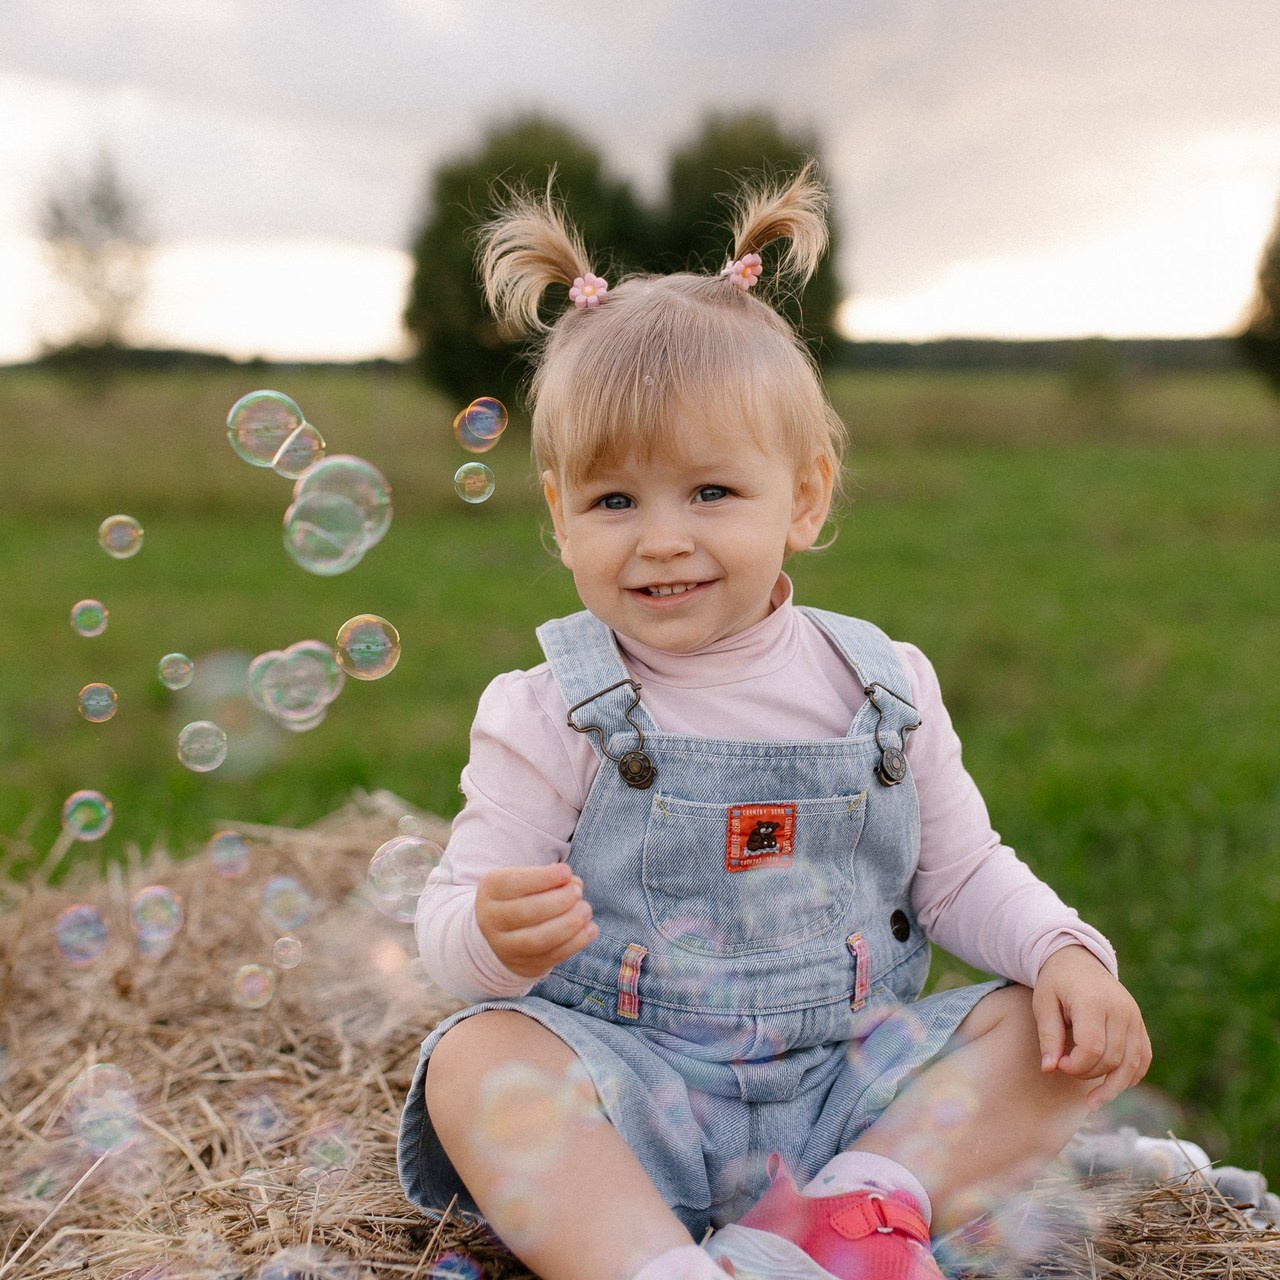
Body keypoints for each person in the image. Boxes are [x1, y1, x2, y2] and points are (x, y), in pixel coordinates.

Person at [397, 162, 1152, 1280]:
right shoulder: (548, 705)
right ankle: (657, 1264)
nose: (659, 538)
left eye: (709, 492)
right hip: (640, 1100)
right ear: (557, 515)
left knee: (1052, 1038)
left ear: (802, 496)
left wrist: (1059, 947)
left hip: (854, 1089)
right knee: (471, 1058)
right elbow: (451, 916)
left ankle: (857, 1214)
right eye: (614, 499)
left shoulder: (880, 682)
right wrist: (487, 935)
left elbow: (957, 873)